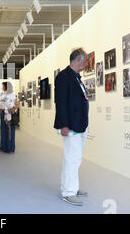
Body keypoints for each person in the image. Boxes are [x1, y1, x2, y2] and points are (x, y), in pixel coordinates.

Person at [54, 48, 90, 206]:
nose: (87, 63)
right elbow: (60, 102)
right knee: (71, 158)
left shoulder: (76, 77)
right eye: (86, 60)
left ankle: (71, 188)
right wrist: (63, 125)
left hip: (80, 124)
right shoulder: (64, 77)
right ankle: (68, 192)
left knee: (76, 158)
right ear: (78, 60)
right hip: (71, 125)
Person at [0, 82, 18, 154]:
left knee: (10, 132)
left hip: (10, 114)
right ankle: (3, 148)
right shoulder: (2, 94)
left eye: (3, 86)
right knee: (3, 131)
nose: (2, 87)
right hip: (3, 114)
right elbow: (1, 104)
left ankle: (11, 149)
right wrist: (1, 107)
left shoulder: (13, 95)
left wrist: (11, 109)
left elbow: (17, 105)